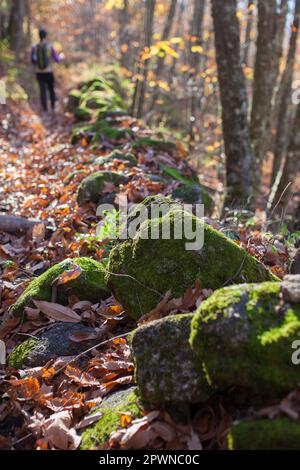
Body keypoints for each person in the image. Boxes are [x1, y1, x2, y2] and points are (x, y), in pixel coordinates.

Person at [31, 29, 62, 112]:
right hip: (49, 72)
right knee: (51, 89)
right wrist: (61, 57)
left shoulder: (35, 47)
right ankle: (52, 107)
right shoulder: (49, 46)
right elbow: (57, 59)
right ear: (45, 36)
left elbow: (33, 60)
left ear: (39, 36)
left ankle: (44, 109)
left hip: (39, 73)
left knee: (42, 91)